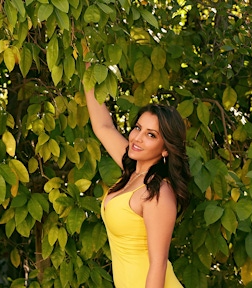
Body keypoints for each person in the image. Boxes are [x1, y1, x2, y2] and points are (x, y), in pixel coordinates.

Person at [85, 68, 190, 288]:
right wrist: (87, 69)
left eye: (151, 135)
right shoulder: (133, 171)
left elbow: (158, 264)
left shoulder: (157, 192)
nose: (137, 138)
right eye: (138, 128)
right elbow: (103, 126)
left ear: (165, 149)